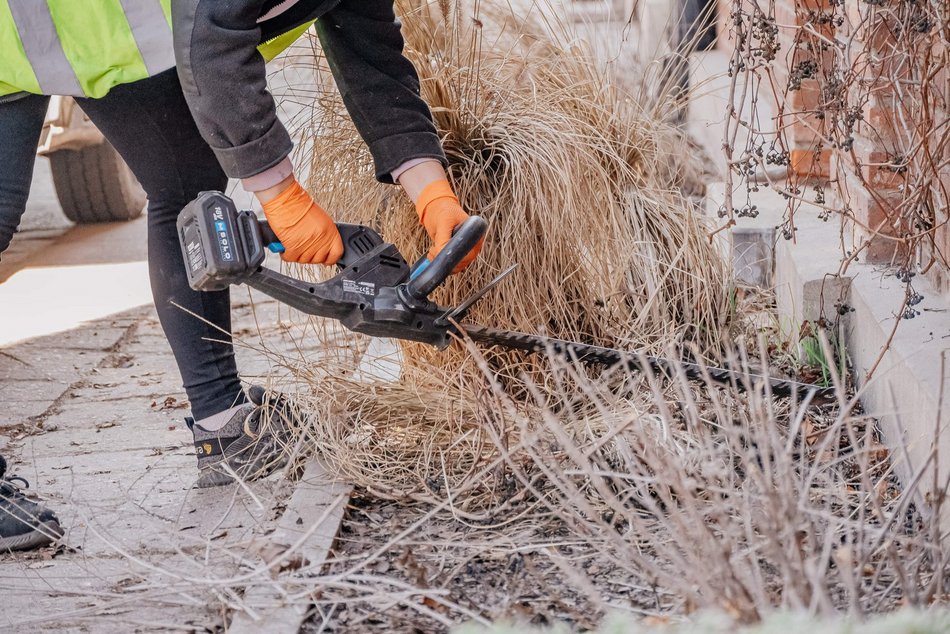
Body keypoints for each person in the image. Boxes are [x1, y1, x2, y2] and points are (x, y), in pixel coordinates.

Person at [0, 0, 482, 550]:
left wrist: (430, 189)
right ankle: (221, 421)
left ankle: (223, 423)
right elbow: (212, 37)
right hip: (39, 25)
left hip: (98, 28)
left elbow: (369, 51)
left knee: (186, 190)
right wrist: (280, 194)